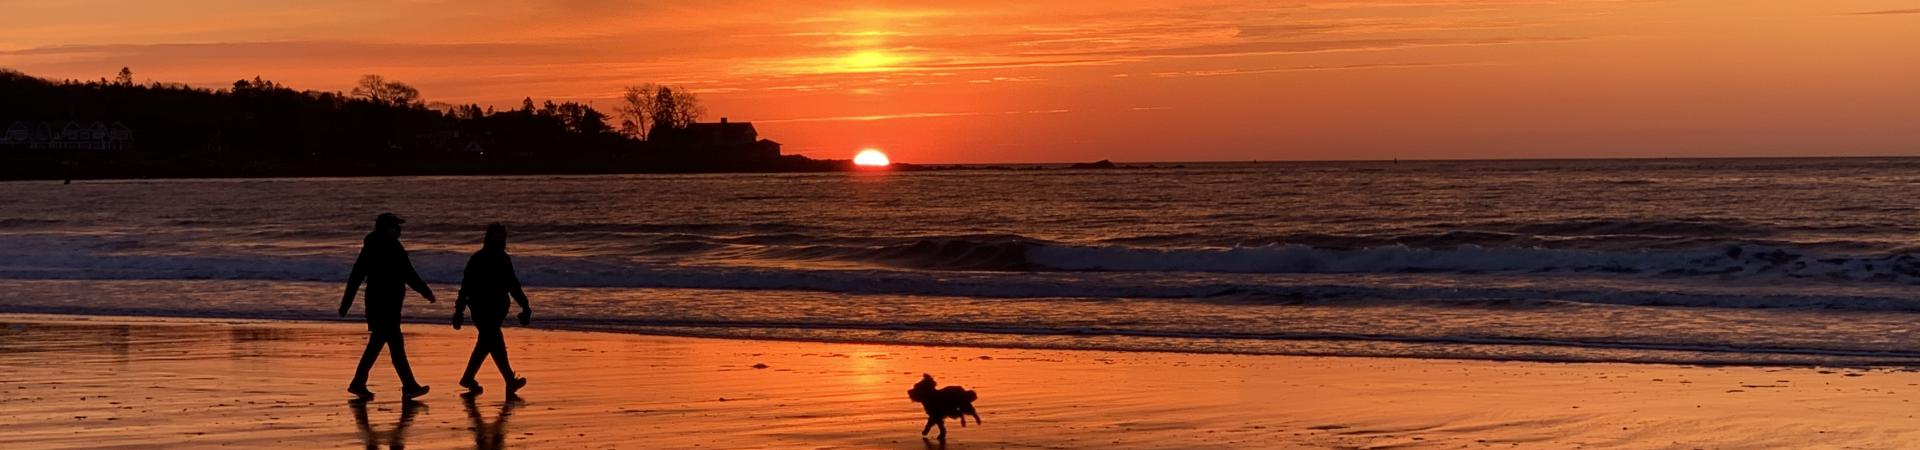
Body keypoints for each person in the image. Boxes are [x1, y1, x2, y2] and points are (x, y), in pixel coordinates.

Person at [340, 212, 435, 400]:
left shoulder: (373, 246)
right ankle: (407, 386)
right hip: (386, 304)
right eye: (396, 227)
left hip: (379, 303)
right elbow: (408, 273)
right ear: (388, 228)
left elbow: (356, 275)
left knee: (381, 344)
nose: (399, 230)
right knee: (391, 345)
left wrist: (346, 304)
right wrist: (426, 292)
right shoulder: (391, 247)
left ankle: (362, 383)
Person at [452, 223, 531, 395]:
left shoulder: (502, 258)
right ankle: (509, 380)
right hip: (481, 307)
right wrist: (458, 311)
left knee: (487, 342)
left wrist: (525, 305)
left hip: (497, 307)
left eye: (502, 235)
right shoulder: (479, 258)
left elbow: (513, 284)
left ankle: (469, 378)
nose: (500, 238)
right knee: (493, 340)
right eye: (497, 235)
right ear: (489, 237)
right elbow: (466, 286)